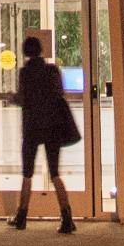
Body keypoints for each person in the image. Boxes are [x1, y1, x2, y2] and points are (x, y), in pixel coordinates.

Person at [8, 34, 79, 233]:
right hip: (53, 126)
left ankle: (21, 216)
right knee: (55, 173)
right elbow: (59, 93)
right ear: (40, 50)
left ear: (25, 52)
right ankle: (67, 216)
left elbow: (23, 98)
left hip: (32, 127)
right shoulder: (53, 70)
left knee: (27, 173)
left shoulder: (25, 73)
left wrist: (12, 98)